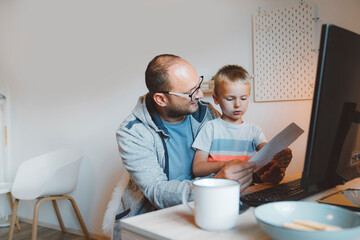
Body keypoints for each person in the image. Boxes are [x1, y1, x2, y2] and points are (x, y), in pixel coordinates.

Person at [109, 54, 291, 239]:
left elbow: (224, 159)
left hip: (203, 210)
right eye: (190, 92)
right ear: (161, 99)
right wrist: (215, 185)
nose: (200, 95)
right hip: (151, 220)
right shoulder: (132, 132)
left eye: (199, 85)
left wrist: (261, 174)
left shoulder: (205, 114)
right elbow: (157, 190)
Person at [192, 64, 292, 183]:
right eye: (230, 99)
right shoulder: (210, 128)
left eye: (243, 98)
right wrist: (226, 164)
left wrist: (279, 153)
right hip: (219, 187)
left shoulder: (254, 131)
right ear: (216, 99)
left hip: (248, 188)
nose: (238, 104)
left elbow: (267, 150)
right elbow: (197, 168)